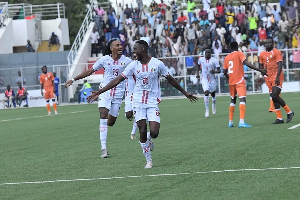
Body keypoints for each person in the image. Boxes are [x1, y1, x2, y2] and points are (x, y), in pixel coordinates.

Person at [86, 40, 198, 169]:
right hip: (138, 102)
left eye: (135, 49)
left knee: (154, 132)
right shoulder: (133, 65)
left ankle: (149, 140)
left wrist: (185, 93)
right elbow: (117, 80)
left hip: (152, 102)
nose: (133, 52)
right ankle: (148, 161)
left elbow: (170, 79)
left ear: (143, 50)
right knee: (142, 130)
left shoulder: (157, 64)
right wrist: (99, 91)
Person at [65, 39, 132, 158]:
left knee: (110, 122)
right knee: (103, 113)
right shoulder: (105, 59)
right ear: (111, 48)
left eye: (121, 45)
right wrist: (73, 79)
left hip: (118, 94)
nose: (120, 47)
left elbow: (137, 69)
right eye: (117, 45)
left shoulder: (127, 61)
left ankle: (103, 128)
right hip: (104, 91)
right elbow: (90, 71)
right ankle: (103, 148)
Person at [223, 42, 267, 128]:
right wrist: (259, 69)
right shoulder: (239, 53)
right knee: (242, 99)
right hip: (239, 80)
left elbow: (224, 71)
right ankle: (241, 122)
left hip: (232, 82)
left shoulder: (227, 57)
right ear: (237, 47)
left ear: (230, 47)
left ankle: (230, 122)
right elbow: (247, 63)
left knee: (233, 100)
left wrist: (229, 78)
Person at [259, 39, 294, 124]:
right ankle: (279, 118)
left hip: (277, 76)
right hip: (268, 77)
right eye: (266, 43)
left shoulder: (276, 52)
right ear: (264, 44)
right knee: (273, 97)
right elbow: (261, 66)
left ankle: (289, 112)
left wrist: (278, 76)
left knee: (274, 95)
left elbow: (280, 64)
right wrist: (261, 76)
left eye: (270, 42)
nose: (268, 44)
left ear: (273, 44)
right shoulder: (262, 54)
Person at [196, 49, 221, 118]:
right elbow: (198, 65)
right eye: (206, 52)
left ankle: (213, 105)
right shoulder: (201, 59)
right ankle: (207, 110)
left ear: (211, 53)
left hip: (212, 80)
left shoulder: (215, 60)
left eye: (209, 52)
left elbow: (219, 70)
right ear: (204, 53)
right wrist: (197, 73)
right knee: (206, 92)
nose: (207, 53)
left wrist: (214, 71)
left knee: (213, 94)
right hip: (204, 79)